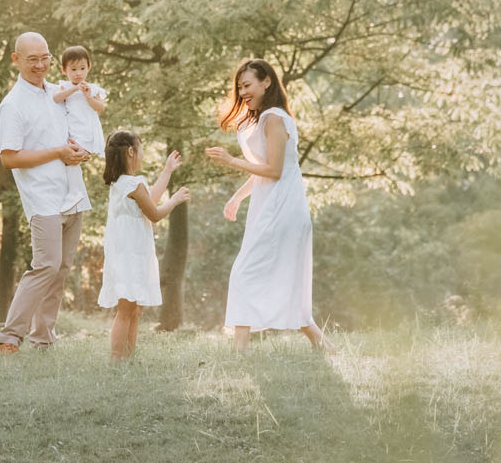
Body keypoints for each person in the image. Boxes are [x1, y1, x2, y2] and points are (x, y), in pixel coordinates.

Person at [206, 59, 336, 354]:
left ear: (266, 82)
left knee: (244, 272)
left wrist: (230, 160)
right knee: (278, 276)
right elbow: (262, 170)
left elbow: (275, 170)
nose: (242, 92)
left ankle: (240, 352)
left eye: (247, 85)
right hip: (270, 205)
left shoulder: (274, 118)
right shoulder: (261, 118)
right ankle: (324, 346)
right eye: (239, 87)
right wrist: (239, 196)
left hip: (283, 207)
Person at [0, 32, 91, 354]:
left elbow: (74, 134)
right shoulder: (12, 105)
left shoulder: (59, 93)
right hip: (42, 198)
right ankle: (10, 338)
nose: (40, 65)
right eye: (32, 59)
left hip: (72, 192)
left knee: (61, 268)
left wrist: (79, 151)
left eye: (45, 58)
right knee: (46, 265)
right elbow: (9, 158)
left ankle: (43, 338)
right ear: (16, 60)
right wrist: (57, 153)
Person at [98, 131, 189, 361]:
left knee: (135, 310)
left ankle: (127, 358)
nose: (143, 153)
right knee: (126, 311)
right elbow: (155, 213)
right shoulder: (131, 184)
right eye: (141, 148)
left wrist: (167, 170)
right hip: (128, 255)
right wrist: (175, 199)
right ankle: (118, 361)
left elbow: (151, 201)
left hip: (133, 254)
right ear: (131, 152)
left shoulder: (126, 184)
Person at [53, 46, 107, 212]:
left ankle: (75, 193)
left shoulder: (93, 88)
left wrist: (88, 96)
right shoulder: (64, 86)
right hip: (70, 131)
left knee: (73, 159)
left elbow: (100, 108)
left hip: (85, 131)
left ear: (89, 66)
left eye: (82, 68)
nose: (78, 73)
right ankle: (73, 191)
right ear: (64, 70)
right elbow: (56, 98)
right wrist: (75, 88)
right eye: (73, 69)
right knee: (68, 160)